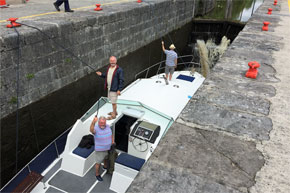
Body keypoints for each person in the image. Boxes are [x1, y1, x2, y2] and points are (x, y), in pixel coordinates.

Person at [90, 116, 114, 181]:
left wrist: (112, 141)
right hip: (100, 150)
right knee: (98, 162)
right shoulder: (96, 128)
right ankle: (97, 174)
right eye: (101, 122)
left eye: (104, 122)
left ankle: (105, 166)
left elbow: (111, 135)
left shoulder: (108, 126)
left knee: (106, 158)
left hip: (108, 148)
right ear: (98, 122)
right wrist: (93, 122)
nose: (102, 124)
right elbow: (91, 130)